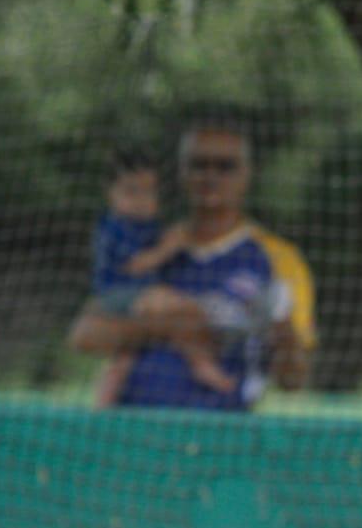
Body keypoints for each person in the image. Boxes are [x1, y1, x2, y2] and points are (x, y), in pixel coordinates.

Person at [68, 124, 315, 410]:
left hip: (220, 430)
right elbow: (84, 335)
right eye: (199, 165)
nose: (210, 177)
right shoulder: (154, 246)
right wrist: (175, 326)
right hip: (135, 427)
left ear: (247, 175)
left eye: (225, 166)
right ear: (181, 173)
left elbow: (293, 379)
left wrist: (282, 330)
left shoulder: (277, 259)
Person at [89, 149, 236, 407]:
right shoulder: (115, 227)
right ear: (110, 193)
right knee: (186, 310)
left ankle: (102, 405)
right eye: (131, 191)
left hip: (135, 295)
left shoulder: (145, 225)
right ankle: (201, 363)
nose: (141, 200)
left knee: (125, 356)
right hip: (120, 294)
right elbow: (135, 266)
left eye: (148, 192)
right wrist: (169, 246)